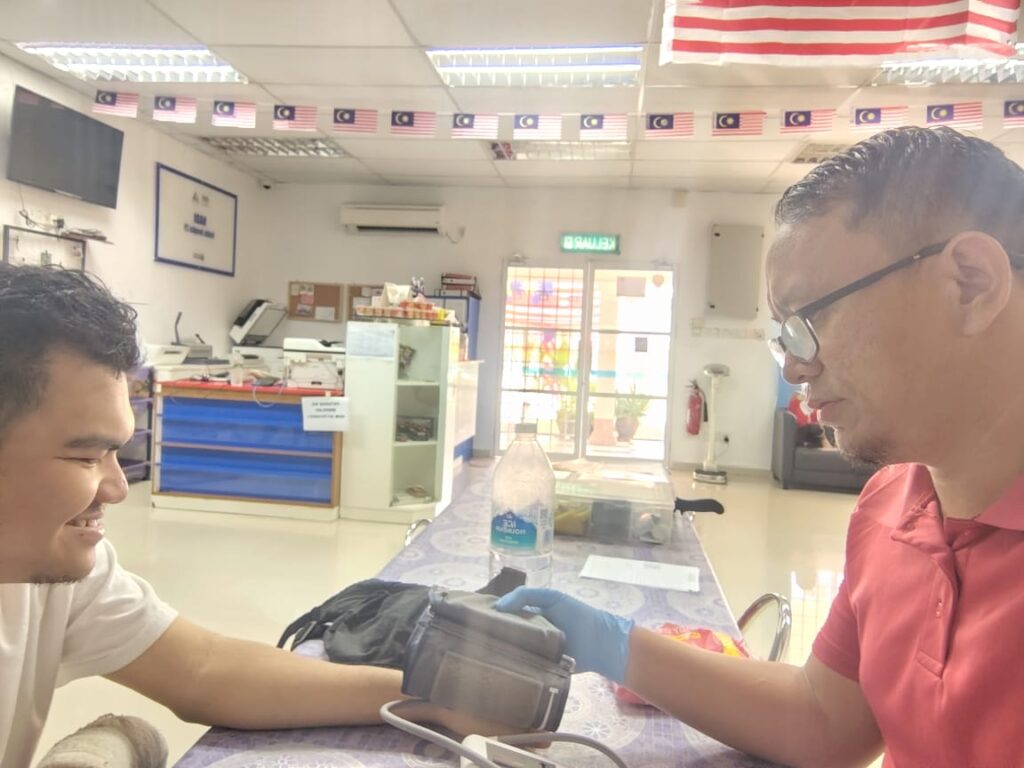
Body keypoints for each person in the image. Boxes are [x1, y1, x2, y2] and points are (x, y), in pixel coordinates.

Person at [497, 126, 1024, 767]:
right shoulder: (891, 506)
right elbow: (826, 721)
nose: (795, 368)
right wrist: (613, 643)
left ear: (970, 283)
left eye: (812, 317)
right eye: (785, 335)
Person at [0, 264, 495, 767]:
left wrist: (435, 702)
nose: (118, 487)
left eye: (115, 452)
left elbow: (203, 670)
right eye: (85, 457)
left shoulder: (56, 571)